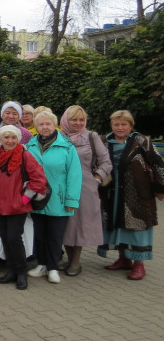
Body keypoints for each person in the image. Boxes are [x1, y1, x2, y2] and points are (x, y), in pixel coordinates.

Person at [0, 125, 48, 290]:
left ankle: (22, 273)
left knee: (13, 238)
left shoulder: (26, 156)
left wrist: (25, 198)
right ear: (0, 139)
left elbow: (39, 179)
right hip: (0, 205)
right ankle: (11, 271)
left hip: (18, 206)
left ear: (18, 139)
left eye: (13, 137)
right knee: (4, 239)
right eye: (6, 137)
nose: (10, 141)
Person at [98, 110, 164, 280]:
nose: (120, 127)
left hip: (137, 194)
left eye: (124, 124)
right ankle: (124, 259)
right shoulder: (104, 141)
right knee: (117, 225)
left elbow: (158, 164)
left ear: (131, 126)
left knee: (137, 226)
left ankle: (139, 264)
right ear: (111, 126)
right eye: (116, 124)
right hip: (111, 194)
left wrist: (160, 189)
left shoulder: (142, 141)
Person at [25, 108, 82, 284]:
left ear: (54, 125)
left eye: (48, 124)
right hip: (38, 200)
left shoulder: (66, 146)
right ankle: (42, 264)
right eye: (41, 124)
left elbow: (74, 174)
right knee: (40, 235)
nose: (45, 127)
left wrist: (72, 200)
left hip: (58, 199)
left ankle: (53, 267)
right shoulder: (30, 146)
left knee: (55, 236)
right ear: (36, 127)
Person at [58, 105, 112, 276]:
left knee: (79, 223)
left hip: (85, 187)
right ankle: (69, 257)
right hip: (63, 186)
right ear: (66, 120)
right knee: (65, 223)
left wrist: (96, 178)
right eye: (74, 119)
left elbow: (106, 162)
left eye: (81, 119)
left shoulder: (91, 136)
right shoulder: (57, 136)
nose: (78, 123)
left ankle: (76, 261)